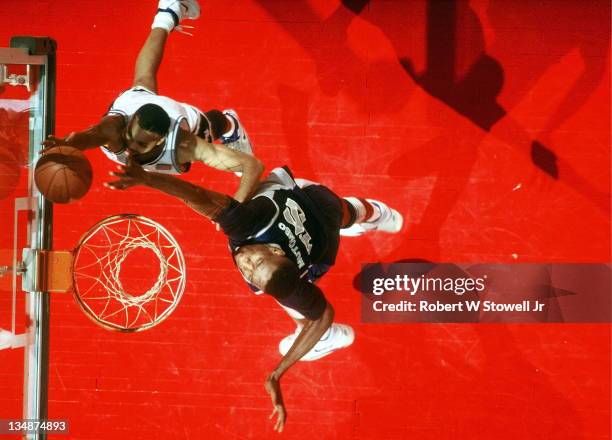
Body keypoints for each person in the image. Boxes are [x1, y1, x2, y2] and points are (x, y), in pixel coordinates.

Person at [106, 155, 403, 432]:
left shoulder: (283, 276)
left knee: (344, 214)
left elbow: (324, 313)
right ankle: (365, 216)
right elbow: (194, 195)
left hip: (320, 224)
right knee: (339, 220)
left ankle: (372, 214)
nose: (245, 263)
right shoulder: (247, 222)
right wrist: (147, 178)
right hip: (295, 203)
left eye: (252, 266)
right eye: (252, 268)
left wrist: (277, 372)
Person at [43, 0, 263, 202]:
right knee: (143, 79)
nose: (131, 147)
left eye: (140, 144)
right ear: (129, 124)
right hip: (136, 101)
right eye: (131, 137)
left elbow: (251, 164)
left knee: (212, 125)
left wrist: (237, 205)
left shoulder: (184, 144)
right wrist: (66, 145)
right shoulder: (113, 130)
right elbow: (87, 136)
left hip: (177, 117)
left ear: (159, 141)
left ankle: (230, 124)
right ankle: (168, 12)